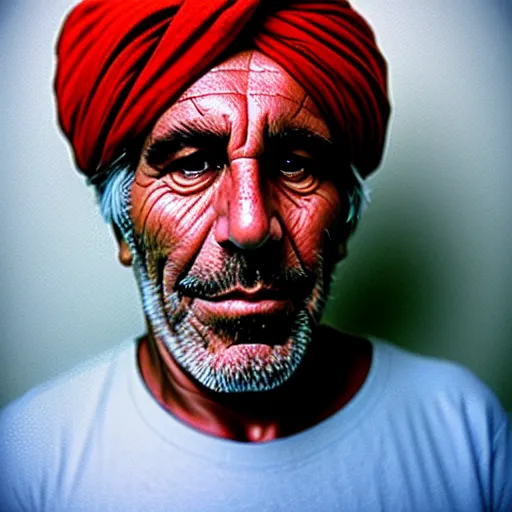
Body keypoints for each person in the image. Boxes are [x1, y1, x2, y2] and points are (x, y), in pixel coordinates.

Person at [0, 0, 510, 510]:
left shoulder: (465, 432)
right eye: (193, 165)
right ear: (122, 227)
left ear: (345, 222)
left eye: (294, 165)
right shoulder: (32, 458)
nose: (249, 227)